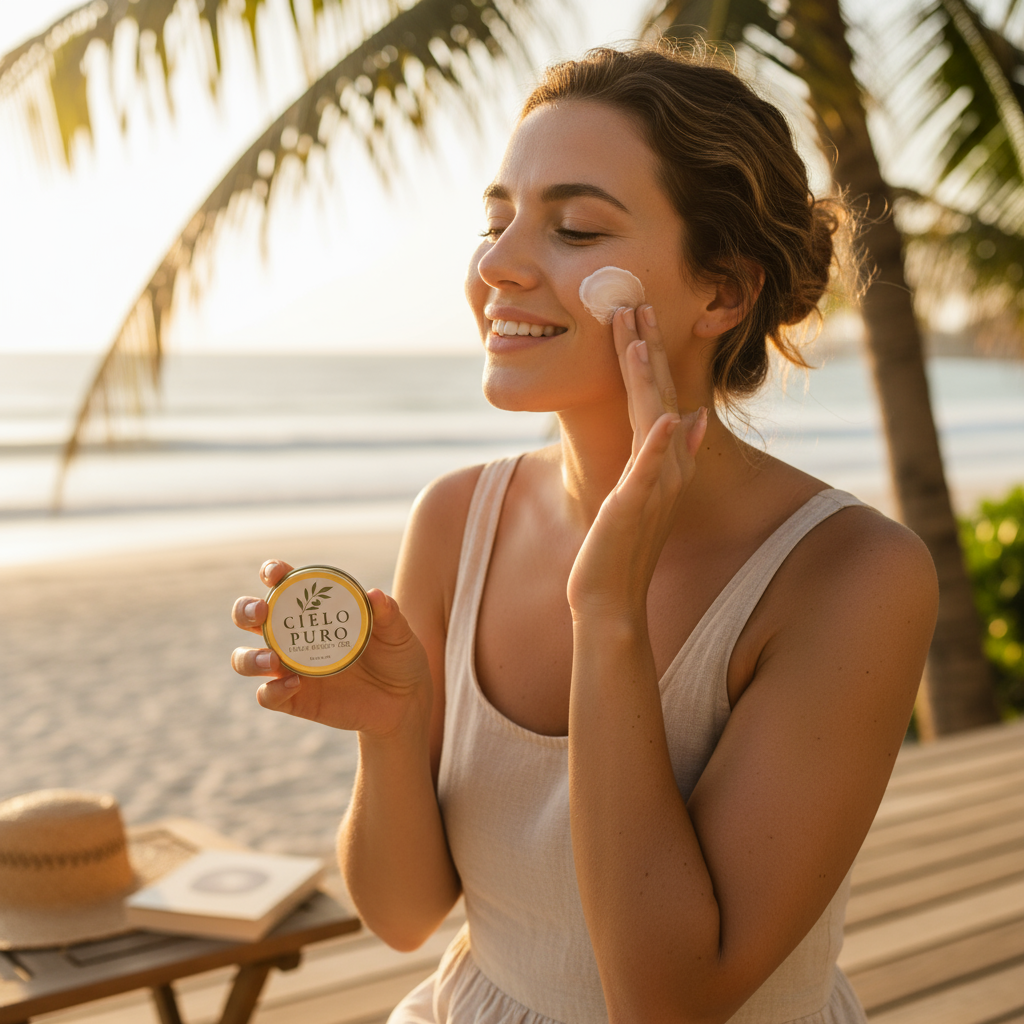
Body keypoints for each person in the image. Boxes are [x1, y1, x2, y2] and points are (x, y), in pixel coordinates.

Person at [231, 44, 938, 1024]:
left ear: (721, 291)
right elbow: (401, 916)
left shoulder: (849, 574)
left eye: (571, 228)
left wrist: (607, 609)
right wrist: (390, 732)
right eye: (495, 220)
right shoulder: (453, 520)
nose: (496, 265)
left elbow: (665, 1001)